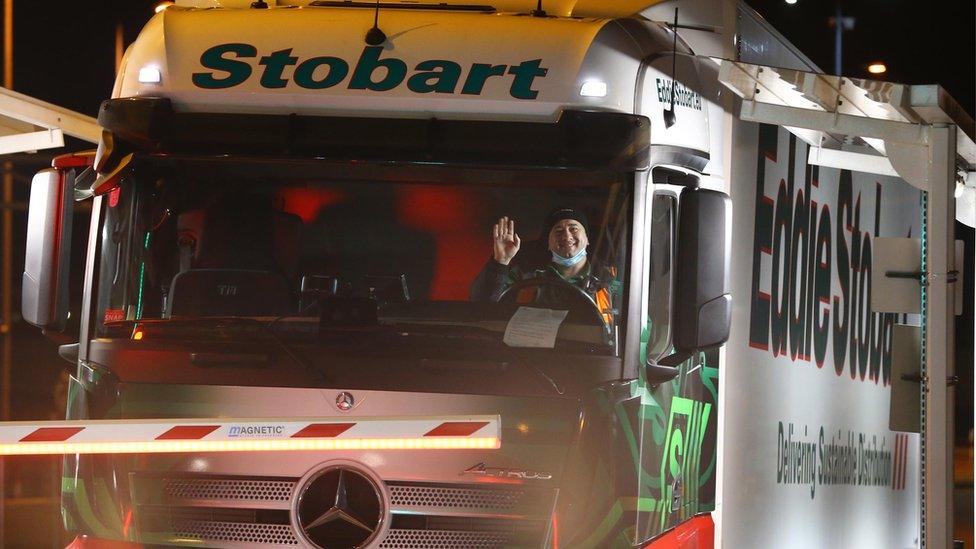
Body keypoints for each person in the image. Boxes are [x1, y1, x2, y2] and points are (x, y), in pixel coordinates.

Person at [470, 207, 615, 323]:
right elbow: (482, 306)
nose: (566, 236)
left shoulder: (610, 279)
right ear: (548, 243)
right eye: (558, 231)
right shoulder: (525, 276)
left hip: (592, 357)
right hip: (530, 356)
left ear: (587, 239)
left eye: (573, 228)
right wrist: (500, 261)